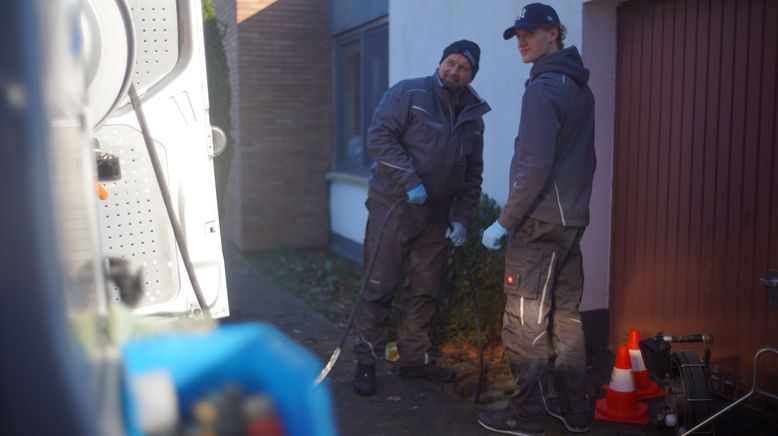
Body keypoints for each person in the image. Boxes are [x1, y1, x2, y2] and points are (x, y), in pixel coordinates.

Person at [479, 3, 596, 435]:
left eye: (529, 33)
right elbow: (585, 161)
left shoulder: (544, 88)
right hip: (570, 224)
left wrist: (503, 223)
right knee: (567, 319)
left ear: (554, 32)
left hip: (539, 224)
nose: (521, 42)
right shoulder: (580, 87)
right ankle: (576, 411)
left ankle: (526, 415)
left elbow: (533, 165)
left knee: (524, 322)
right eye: (517, 35)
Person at [352, 40, 491, 397]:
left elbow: (473, 173)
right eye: (450, 62)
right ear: (440, 62)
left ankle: (414, 361)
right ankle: (366, 362)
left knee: (425, 290)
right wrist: (410, 182)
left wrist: (462, 219)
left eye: (463, 67)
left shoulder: (473, 118)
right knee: (379, 285)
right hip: (393, 205)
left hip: (436, 216)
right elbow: (379, 137)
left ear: (471, 75)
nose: (454, 70)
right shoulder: (409, 92)